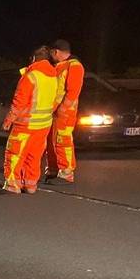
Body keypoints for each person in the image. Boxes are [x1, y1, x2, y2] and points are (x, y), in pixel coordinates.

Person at [2, 46, 59, 194]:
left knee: (14, 154)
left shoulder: (31, 76)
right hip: (44, 124)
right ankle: (30, 185)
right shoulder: (53, 76)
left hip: (26, 123)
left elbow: (19, 101)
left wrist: (9, 119)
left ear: (34, 59)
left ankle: (12, 185)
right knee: (34, 156)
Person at [45, 39, 84, 184]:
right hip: (56, 111)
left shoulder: (74, 66)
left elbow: (73, 91)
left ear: (56, 52)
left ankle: (66, 172)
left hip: (65, 112)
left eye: (51, 53)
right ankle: (54, 170)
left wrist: (62, 108)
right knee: (53, 141)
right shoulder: (61, 65)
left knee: (63, 140)